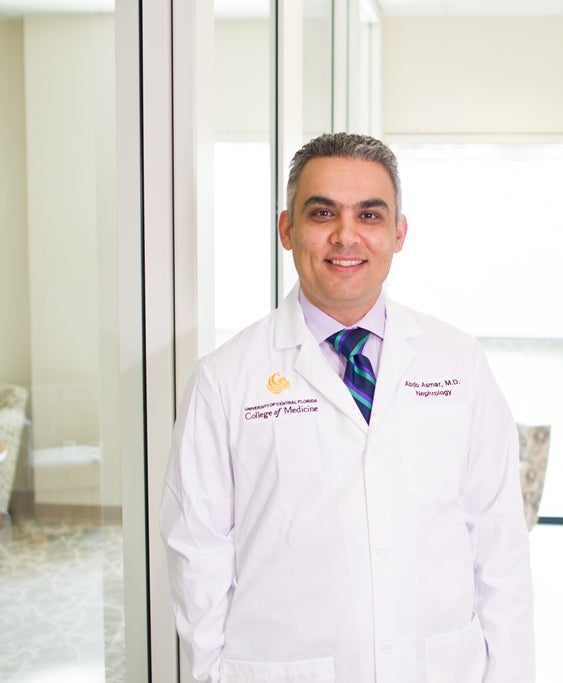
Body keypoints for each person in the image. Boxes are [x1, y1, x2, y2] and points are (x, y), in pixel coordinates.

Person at [160, 132, 534, 683]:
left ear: (398, 233)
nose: (346, 236)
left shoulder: (459, 362)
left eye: (370, 215)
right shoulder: (224, 379)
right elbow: (197, 554)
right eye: (322, 212)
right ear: (287, 229)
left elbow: (499, 540)